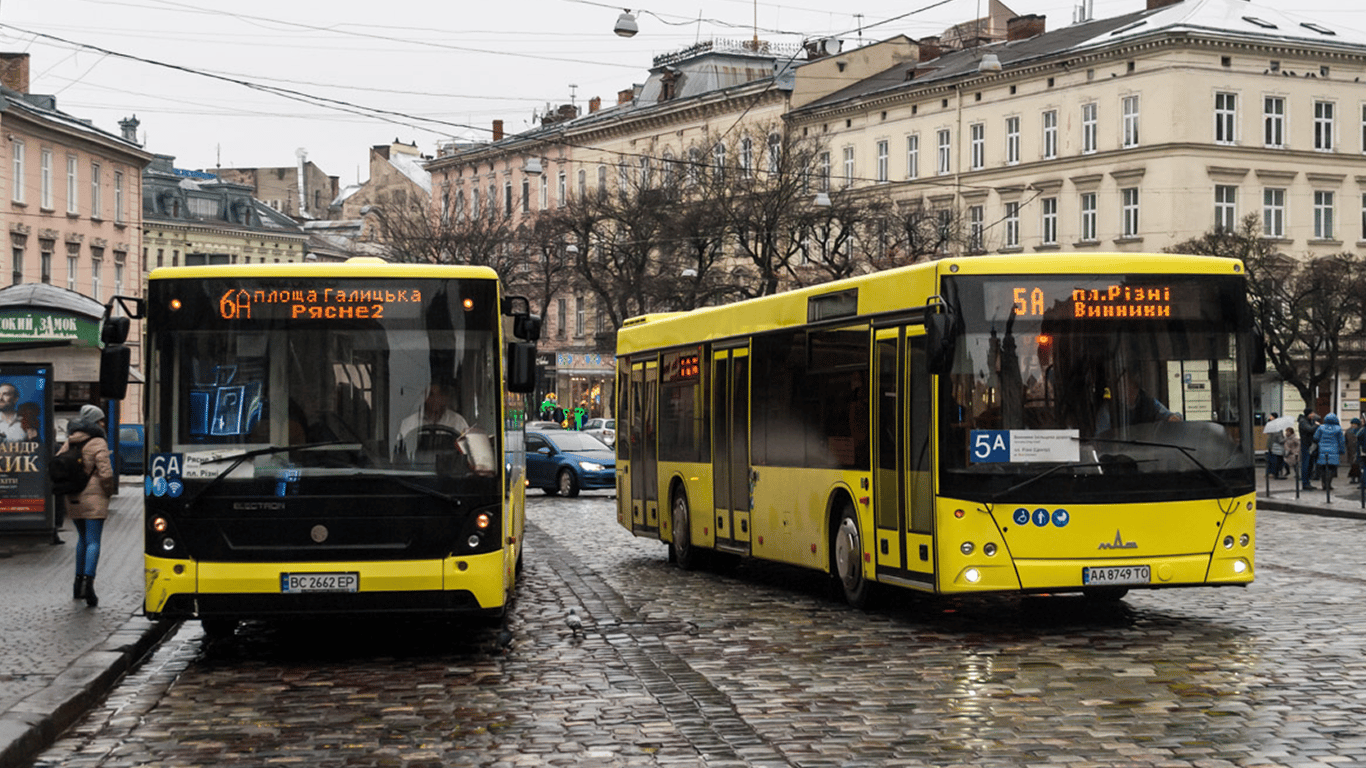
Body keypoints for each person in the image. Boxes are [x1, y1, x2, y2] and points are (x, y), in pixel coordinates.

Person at [62, 405, 117, 608]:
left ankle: (77, 585)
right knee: (94, 541)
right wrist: (108, 491)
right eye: (100, 420)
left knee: (82, 540)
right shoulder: (98, 441)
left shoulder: (70, 441)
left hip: (73, 496)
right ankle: (89, 586)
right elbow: (106, 473)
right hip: (94, 498)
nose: (103, 423)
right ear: (94, 422)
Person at [1095, 369, 1181, 433]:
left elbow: (1168, 415)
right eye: (1122, 387)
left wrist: (1173, 417)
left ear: (1136, 389)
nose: (1126, 391)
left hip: (1148, 452)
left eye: (1130, 386)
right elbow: (1102, 440)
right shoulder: (1107, 411)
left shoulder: (1150, 403)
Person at [396, 383, 469, 446]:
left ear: (445, 398)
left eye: (440, 394)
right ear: (424, 398)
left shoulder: (458, 421)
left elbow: (470, 450)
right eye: (431, 394)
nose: (436, 399)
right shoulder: (409, 423)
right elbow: (399, 451)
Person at [1312, 413, 1347, 494]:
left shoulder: (1321, 427)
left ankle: (1324, 483)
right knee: (1332, 468)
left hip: (1322, 451)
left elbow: (1315, 437)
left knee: (1323, 468)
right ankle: (1328, 484)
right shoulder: (1338, 429)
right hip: (1334, 451)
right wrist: (1342, 451)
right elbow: (1342, 441)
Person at [1297, 409, 1320, 490]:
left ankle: (1308, 482)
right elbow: (1309, 429)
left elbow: (1318, 418)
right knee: (1306, 465)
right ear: (1308, 414)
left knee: (1310, 465)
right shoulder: (1303, 422)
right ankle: (1305, 483)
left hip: (1310, 445)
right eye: (1312, 413)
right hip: (1306, 445)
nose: (1313, 414)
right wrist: (1316, 425)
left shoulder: (1308, 420)